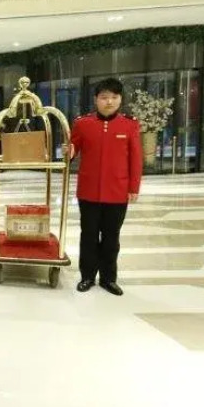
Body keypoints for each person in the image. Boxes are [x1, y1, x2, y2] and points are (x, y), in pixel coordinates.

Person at [68, 77, 143, 296]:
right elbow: (73, 149)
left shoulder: (129, 125)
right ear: (96, 99)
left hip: (117, 192)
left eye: (114, 97)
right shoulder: (83, 124)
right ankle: (87, 276)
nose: (109, 102)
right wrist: (67, 151)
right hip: (88, 191)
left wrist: (134, 187)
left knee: (111, 237)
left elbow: (136, 159)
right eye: (104, 97)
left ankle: (109, 278)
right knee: (88, 236)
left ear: (120, 99)